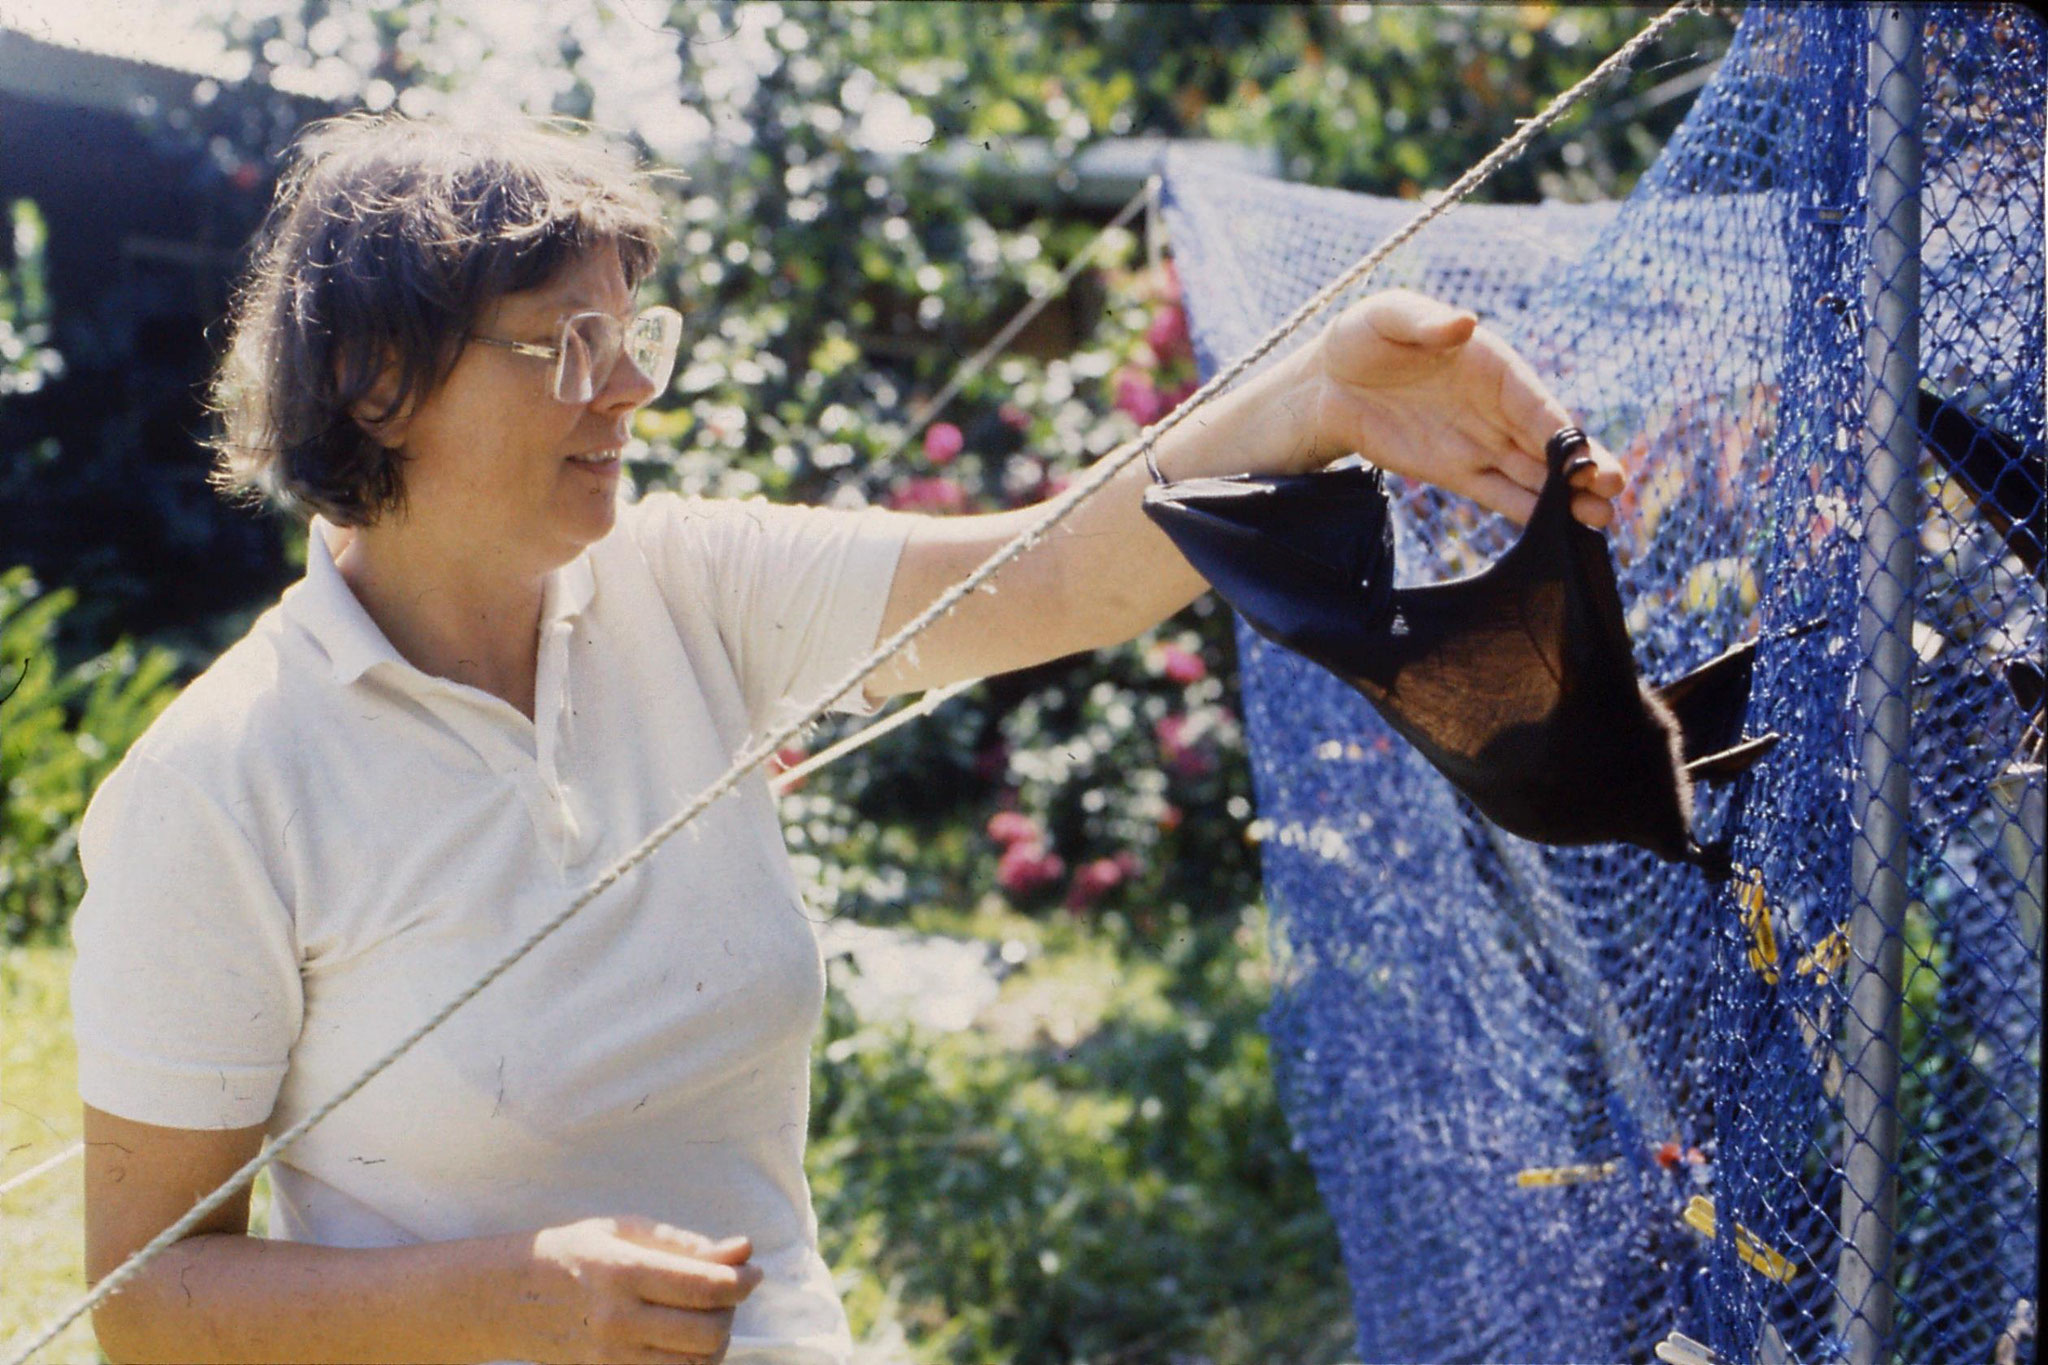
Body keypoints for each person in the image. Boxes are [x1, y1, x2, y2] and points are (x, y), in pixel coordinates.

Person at [71, 112, 1622, 1365]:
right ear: (372, 378)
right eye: (563, 346)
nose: (626, 392)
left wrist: (1325, 395)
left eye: (635, 336)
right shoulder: (221, 788)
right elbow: (145, 1301)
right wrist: (515, 1296)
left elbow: (1059, 571)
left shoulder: (684, 580)